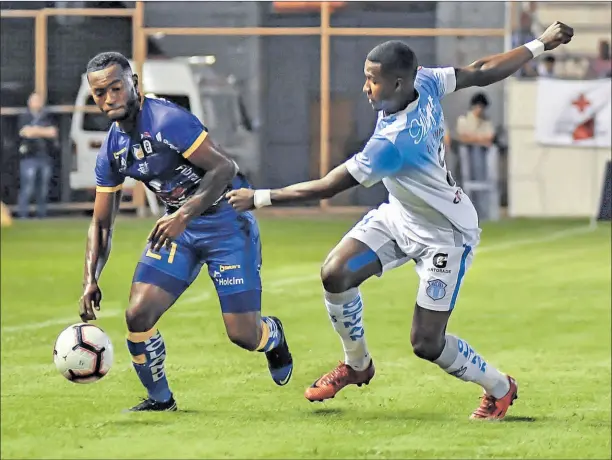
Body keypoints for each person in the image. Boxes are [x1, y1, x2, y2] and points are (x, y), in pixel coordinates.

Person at [227, 21, 573, 420]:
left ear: (396, 83)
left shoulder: (393, 142)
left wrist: (259, 197)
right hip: (400, 216)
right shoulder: (423, 82)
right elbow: (480, 70)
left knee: (426, 343)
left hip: (446, 235)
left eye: (372, 80)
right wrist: (539, 44)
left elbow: (328, 186)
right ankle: (357, 365)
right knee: (336, 273)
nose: (365, 88)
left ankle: (499, 387)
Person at [78, 52, 293, 412]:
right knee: (137, 314)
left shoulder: (167, 120)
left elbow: (225, 168)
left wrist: (185, 214)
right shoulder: (113, 150)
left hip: (226, 224)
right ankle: (161, 400)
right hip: (178, 231)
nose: (109, 98)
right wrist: (90, 277)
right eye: (100, 93)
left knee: (243, 335)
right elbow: (101, 222)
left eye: (116, 87)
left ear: (134, 83)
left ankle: (272, 336)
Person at [17, 92, 58, 219]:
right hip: (29, 157)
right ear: (29, 102)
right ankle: (23, 215)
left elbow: (53, 132)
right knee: (27, 188)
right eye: (34, 100)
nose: (37, 103)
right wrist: (42, 131)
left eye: (39, 100)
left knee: (43, 189)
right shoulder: (24, 116)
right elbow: (25, 132)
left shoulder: (46, 116)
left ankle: (41, 215)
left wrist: (35, 131)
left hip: (45, 157)